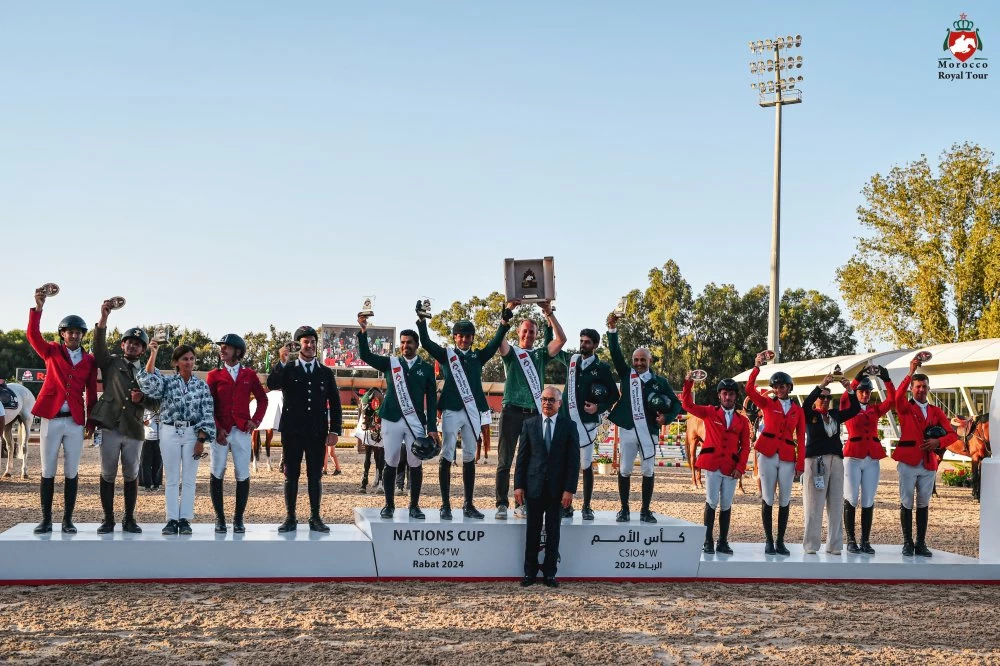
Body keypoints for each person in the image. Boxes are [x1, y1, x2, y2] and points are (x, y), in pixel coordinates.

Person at [417, 303, 512, 520]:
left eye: (468, 336)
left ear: (472, 338)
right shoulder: (446, 355)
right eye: (460, 336)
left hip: (472, 412)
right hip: (451, 410)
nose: (464, 339)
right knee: (447, 454)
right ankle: (445, 504)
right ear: (455, 338)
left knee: (470, 455)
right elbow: (426, 343)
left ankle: (468, 504)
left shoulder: (478, 357)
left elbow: (495, 342)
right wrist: (422, 321)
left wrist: (504, 324)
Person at [26, 288, 99, 534]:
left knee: (71, 470)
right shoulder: (51, 351)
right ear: (62, 334)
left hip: (75, 420)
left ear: (82, 335)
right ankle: (46, 518)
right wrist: (37, 309)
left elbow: (90, 391)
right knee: (48, 469)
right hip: (52, 417)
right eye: (70, 331)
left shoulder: (89, 360)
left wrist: (91, 421)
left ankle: (68, 519)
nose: (74, 335)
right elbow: (33, 335)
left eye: (78, 332)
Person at [357, 316, 439, 519]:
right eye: (402, 343)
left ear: (416, 345)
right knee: (391, 460)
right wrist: (363, 331)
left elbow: (432, 400)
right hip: (391, 418)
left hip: (415, 421)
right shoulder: (390, 363)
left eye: (409, 342)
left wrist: (432, 428)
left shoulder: (427, 369)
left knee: (415, 462)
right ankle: (389, 504)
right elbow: (365, 354)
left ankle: (414, 506)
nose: (405, 346)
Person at [90, 301, 158, 534]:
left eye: (137, 344)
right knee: (108, 473)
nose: (132, 346)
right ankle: (108, 518)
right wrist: (103, 317)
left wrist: (144, 401)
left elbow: (158, 401)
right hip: (110, 424)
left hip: (134, 427)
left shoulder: (149, 370)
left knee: (131, 474)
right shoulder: (111, 363)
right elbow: (98, 347)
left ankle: (129, 518)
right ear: (122, 344)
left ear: (143, 349)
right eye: (129, 342)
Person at [606, 312, 681, 523]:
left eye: (642, 360)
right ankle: (624, 509)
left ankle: (646, 510)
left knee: (648, 470)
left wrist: (667, 419)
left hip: (649, 431)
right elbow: (615, 353)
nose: (638, 363)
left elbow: (677, 404)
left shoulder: (660, 382)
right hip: (629, 429)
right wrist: (612, 329)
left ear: (649, 360)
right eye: (636, 360)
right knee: (625, 469)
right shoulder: (627, 375)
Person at [267, 326, 343, 533]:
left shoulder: (325, 372)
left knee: (315, 475)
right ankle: (290, 517)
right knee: (291, 475)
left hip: (317, 432)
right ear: (298, 345)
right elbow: (272, 384)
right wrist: (281, 361)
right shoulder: (289, 368)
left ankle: (315, 517)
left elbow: (335, 404)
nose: (309, 345)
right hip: (292, 431)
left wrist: (335, 430)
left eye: (312, 341)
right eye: (305, 342)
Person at [496, 301, 567, 519]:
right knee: (504, 461)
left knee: (529, 462)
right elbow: (499, 341)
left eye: (532, 332)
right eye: (525, 331)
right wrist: (508, 309)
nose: (528, 334)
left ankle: (522, 504)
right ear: (518, 332)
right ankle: (501, 504)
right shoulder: (511, 353)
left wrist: (549, 313)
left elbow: (561, 340)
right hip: (512, 411)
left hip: (534, 414)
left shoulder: (539, 355)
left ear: (536, 335)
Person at [138, 343, 216, 535]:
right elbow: (147, 381)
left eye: (191, 358)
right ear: (176, 362)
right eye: (184, 359)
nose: (188, 362)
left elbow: (206, 412)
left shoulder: (201, 385)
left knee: (189, 479)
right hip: (169, 432)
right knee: (172, 478)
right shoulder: (167, 383)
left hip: (192, 433)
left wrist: (201, 439)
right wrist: (153, 353)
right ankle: (172, 519)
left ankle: (185, 519)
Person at [891, 354, 957, 557]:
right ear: (912, 388)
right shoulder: (904, 407)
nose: (921, 390)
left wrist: (939, 442)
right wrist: (910, 371)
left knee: (923, 503)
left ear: (928, 389)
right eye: (917, 386)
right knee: (906, 502)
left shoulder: (936, 411)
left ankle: (920, 542)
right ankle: (907, 542)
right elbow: (896, 397)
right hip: (909, 460)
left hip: (928, 463)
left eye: (924, 387)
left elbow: (953, 434)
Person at [514, 387, 579, 588]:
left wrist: (569, 490)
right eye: (544, 399)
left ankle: (550, 574)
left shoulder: (569, 426)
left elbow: (573, 461)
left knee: (553, 532)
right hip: (533, 488)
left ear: (559, 403)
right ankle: (530, 573)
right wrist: (518, 487)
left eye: (552, 400)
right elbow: (522, 459)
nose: (547, 403)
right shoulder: (529, 424)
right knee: (532, 532)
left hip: (558, 491)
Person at [681, 373, 751, 555]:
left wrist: (740, 468)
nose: (728, 397)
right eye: (725, 394)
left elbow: (745, 447)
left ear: (736, 397)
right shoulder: (710, 412)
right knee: (711, 502)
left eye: (731, 394)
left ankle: (723, 541)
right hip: (712, 465)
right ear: (720, 395)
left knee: (726, 504)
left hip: (730, 467)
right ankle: (707, 541)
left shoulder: (742, 421)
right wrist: (688, 383)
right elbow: (687, 405)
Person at [744, 352, 806, 555]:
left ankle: (780, 540)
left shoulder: (798, 410)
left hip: (788, 454)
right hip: (768, 453)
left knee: (785, 499)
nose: (779, 389)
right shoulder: (768, 403)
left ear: (789, 387)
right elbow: (748, 390)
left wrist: (800, 464)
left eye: (782, 386)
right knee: (768, 497)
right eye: (776, 386)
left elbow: (802, 437)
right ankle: (769, 540)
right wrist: (756, 367)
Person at [206, 334, 268, 534]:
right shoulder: (214, 375)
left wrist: (256, 421)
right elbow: (209, 405)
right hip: (221, 431)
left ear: (238, 351)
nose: (222, 350)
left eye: (227, 347)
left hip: (241, 430)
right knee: (217, 471)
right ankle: (220, 518)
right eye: (221, 347)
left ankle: (238, 518)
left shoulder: (249, 374)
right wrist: (216, 428)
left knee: (242, 473)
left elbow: (262, 399)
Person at [555, 328, 620, 519]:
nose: (583, 344)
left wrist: (598, 408)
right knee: (568, 465)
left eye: (587, 342)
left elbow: (614, 395)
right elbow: (552, 347)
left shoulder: (602, 368)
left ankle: (587, 505)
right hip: (568, 422)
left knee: (585, 465)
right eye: (582, 341)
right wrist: (548, 321)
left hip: (587, 423)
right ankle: (566, 505)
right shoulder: (571, 361)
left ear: (595, 345)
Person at [801, 375, 860, 555]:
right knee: (813, 505)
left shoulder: (834, 415)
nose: (825, 400)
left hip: (836, 461)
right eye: (822, 397)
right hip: (816, 461)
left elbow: (855, 408)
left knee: (835, 504)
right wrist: (822, 386)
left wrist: (849, 389)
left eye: (828, 397)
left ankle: (834, 544)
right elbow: (806, 403)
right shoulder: (810, 414)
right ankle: (811, 544)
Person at [840, 365, 895, 554]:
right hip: (853, 456)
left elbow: (892, 400)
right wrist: (858, 376)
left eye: (867, 391)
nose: (864, 394)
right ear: (856, 392)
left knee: (868, 499)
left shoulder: (874, 410)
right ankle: (850, 539)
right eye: (861, 391)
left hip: (872, 456)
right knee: (851, 497)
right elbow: (845, 396)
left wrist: (886, 380)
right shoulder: (848, 406)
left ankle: (865, 540)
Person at [357, 388, 386, 493]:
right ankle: (364, 480)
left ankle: (381, 481)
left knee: (381, 455)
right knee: (367, 456)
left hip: (381, 427)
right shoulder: (365, 402)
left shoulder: (381, 404)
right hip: (369, 427)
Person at [139, 409, 162, 491]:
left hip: (160, 438)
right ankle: (146, 484)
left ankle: (157, 484)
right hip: (146, 438)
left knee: (158, 462)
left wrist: (161, 419)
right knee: (145, 462)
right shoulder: (144, 407)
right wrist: (145, 422)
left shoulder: (163, 407)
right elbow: (140, 419)